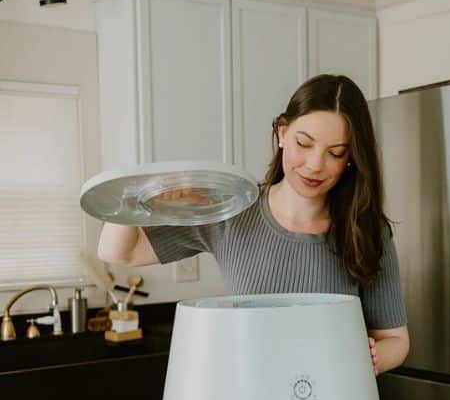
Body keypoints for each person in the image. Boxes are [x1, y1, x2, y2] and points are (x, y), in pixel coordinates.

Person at [98, 74, 410, 375]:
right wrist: (139, 193)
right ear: (283, 133)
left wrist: (365, 357)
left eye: (335, 153)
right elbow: (118, 252)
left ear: (351, 157)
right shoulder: (234, 211)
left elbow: (396, 341)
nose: (315, 165)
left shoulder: (366, 231)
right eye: (304, 143)